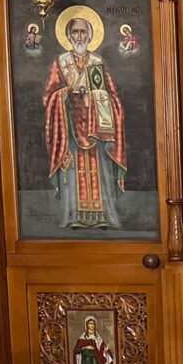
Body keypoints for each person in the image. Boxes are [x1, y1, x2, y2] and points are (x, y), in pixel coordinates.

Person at [43, 16, 127, 229]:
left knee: (98, 170)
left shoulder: (97, 62)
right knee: (72, 169)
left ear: (90, 35)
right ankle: (74, 216)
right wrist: (64, 93)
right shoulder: (61, 62)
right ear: (68, 35)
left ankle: (101, 217)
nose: (79, 36)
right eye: (75, 32)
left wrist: (96, 97)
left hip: (95, 128)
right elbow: (49, 96)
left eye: (83, 32)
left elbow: (113, 96)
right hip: (70, 126)